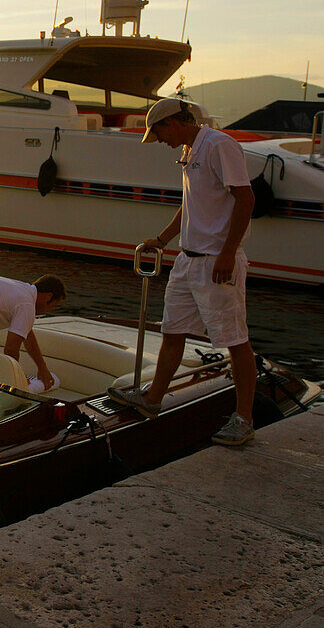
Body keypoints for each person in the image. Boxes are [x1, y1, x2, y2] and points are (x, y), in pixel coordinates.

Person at [108, 98, 256, 446]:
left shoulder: (219, 146)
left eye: (158, 132)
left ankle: (244, 419)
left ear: (172, 123)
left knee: (235, 340)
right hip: (188, 261)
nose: (159, 140)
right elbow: (190, 204)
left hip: (216, 262)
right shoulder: (191, 150)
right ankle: (152, 399)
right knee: (173, 330)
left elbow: (246, 198)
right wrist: (162, 239)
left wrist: (228, 253)